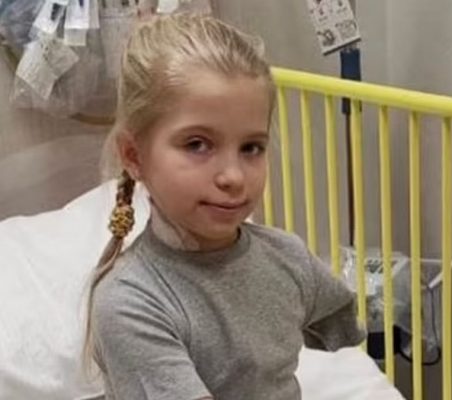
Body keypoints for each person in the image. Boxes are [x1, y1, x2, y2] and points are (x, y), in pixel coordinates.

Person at [83, 13, 364, 400]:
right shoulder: (130, 302)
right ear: (134, 156)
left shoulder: (287, 258)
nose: (233, 176)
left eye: (251, 148)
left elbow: (339, 324)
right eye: (197, 144)